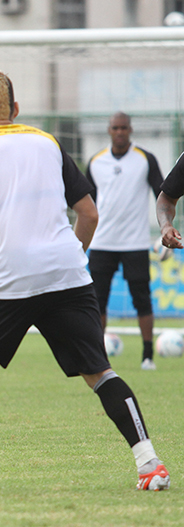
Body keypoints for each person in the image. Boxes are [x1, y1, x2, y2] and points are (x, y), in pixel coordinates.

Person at [0, 69, 169, 491]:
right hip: (67, 273)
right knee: (101, 373)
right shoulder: (47, 141)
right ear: (18, 109)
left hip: (9, 280)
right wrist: (67, 261)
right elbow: (90, 214)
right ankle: (150, 464)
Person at [85, 112, 164, 371]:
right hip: (102, 242)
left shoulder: (145, 160)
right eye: (115, 128)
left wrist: (166, 229)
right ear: (109, 130)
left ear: (130, 130)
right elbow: (86, 204)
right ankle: (98, 357)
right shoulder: (96, 162)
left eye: (124, 128)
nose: (120, 132)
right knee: (98, 300)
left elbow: (162, 195)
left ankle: (148, 355)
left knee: (142, 298)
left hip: (136, 242)